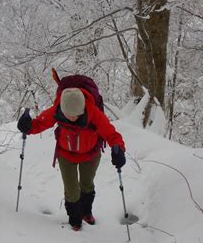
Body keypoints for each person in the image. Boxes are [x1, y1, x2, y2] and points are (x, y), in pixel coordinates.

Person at [17, 87, 126, 231]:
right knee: (71, 190)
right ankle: (75, 218)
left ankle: (86, 212)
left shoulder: (94, 113)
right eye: (69, 115)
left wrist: (118, 149)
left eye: (77, 115)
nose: (72, 118)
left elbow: (111, 134)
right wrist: (28, 126)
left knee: (87, 184)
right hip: (65, 154)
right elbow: (40, 123)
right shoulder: (56, 110)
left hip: (90, 154)